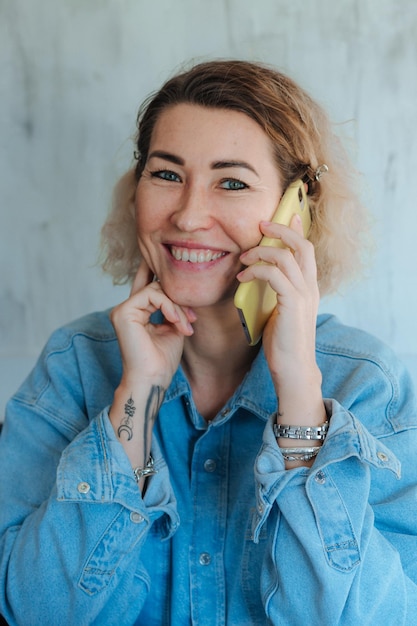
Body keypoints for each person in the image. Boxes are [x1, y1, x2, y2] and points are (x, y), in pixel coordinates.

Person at [0, 59, 416, 626]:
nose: (189, 215)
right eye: (166, 174)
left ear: (294, 211)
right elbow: (35, 612)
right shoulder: (72, 366)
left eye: (233, 182)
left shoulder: (369, 384)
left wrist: (298, 390)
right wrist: (138, 396)